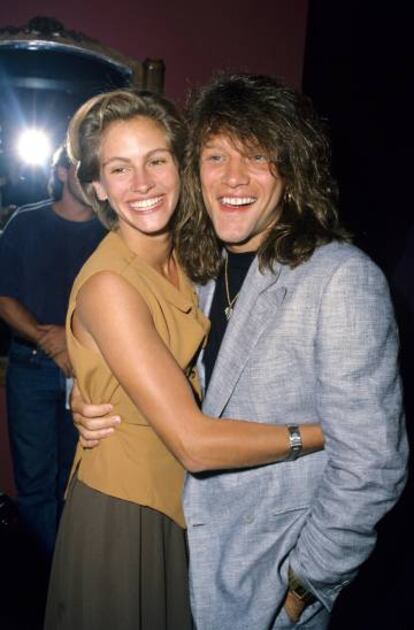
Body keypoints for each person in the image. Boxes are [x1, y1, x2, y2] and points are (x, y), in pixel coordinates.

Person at [73, 74, 408, 629]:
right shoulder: (198, 269)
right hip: (181, 554)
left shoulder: (341, 279)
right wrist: (84, 396)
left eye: (257, 156)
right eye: (215, 156)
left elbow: (374, 465)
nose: (232, 177)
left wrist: (304, 584)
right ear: (194, 171)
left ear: (292, 170)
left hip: (267, 581)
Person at [44, 89, 324, 630]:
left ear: (181, 166)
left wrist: (84, 386)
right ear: (97, 186)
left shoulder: (192, 255)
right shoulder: (111, 285)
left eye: (156, 160)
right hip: (127, 510)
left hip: (183, 502)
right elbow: (194, 443)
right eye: (120, 169)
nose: (143, 183)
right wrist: (323, 432)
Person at [0, 145, 106, 555]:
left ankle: (70, 578)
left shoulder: (111, 233)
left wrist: (73, 341)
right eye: (84, 167)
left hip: (90, 369)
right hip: (31, 366)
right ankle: (44, 582)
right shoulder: (26, 223)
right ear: (62, 172)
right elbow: (4, 297)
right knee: (35, 483)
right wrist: (49, 338)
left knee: (78, 478)